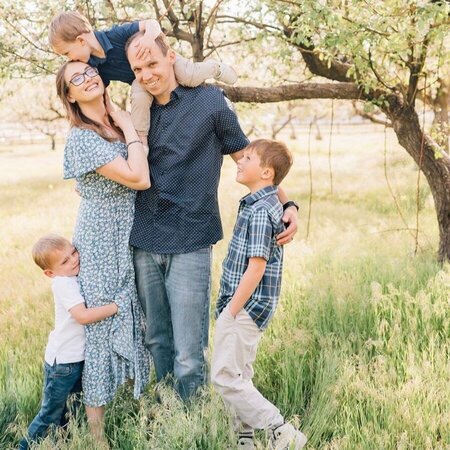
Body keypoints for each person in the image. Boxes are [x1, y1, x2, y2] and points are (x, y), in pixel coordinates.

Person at [125, 31, 299, 402]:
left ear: (171, 57)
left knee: (189, 351)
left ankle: (192, 422)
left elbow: (251, 164)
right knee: (156, 339)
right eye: (137, 68)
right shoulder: (135, 115)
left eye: (152, 63)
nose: (146, 74)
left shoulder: (210, 103)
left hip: (190, 238)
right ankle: (168, 409)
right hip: (143, 238)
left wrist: (288, 206)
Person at [55, 60, 150, 442]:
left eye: (89, 70)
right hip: (99, 241)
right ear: (71, 97)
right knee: (101, 328)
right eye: (75, 79)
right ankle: (96, 436)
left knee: (133, 317)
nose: (87, 78)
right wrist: (129, 127)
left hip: (127, 232)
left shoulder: (109, 126)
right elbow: (140, 178)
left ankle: (141, 408)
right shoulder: (82, 137)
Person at [211, 139, 307, 450]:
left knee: (225, 377)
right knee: (240, 375)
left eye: (247, 158)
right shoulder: (261, 204)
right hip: (249, 307)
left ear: (266, 172)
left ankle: (282, 430)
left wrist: (231, 310)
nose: (239, 160)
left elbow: (256, 268)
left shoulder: (261, 210)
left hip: (244, 308)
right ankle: (245, 439)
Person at [49, 11, 237, 152]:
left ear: (81, 40)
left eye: (67, 53)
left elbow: (152, 24)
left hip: (161, 62)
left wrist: (148, 39)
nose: (69, 59)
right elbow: (103, 98)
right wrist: (113, 119)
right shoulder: (93, 66)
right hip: (141, 79)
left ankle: (215, 68)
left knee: (189, 76)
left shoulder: (114, 35)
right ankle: (142, 142)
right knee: (139, 98)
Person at [19, 234, 118, 450]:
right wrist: (114, 307)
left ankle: (61, 443)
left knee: (70, 410)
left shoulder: (71, 278)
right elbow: (82, 316)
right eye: (65, 261)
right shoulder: (63, 284)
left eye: (73, 252)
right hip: (62, 363)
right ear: (50, 273)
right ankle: (24, 447)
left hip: (74, 359)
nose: (73, 260)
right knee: (50, 413)